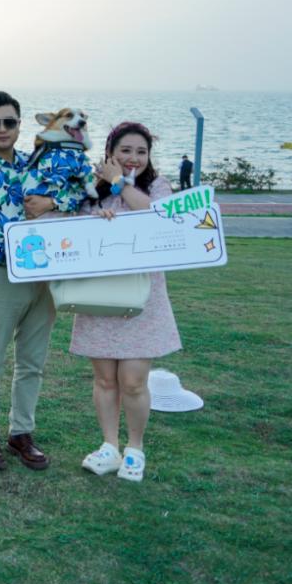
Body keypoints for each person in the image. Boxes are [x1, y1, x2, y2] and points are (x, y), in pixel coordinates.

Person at [0, 91, 84, 472]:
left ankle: (21, 433)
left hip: (45, 275)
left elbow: (81, 192)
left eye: (10, 122)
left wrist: (53, 204)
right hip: (2, 276)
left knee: (32, 362)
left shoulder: (43, 161)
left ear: (20, 125)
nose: (3, 129)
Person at [72, 122, 183, 483]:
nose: (134, 157)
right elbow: (73, 232)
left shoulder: (158, 185)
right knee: (105, 379)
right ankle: (109, 446)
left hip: (143, 299)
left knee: (133, 381)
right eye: (125, 150)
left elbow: (157, 216)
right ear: (110, 153)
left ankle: (135, 449)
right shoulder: (90, 189)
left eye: (141, 151)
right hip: (99, 298)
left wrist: (120, 183)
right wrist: (96, 219)